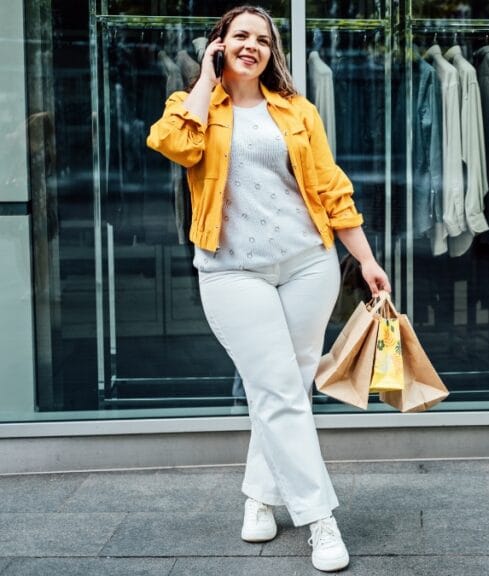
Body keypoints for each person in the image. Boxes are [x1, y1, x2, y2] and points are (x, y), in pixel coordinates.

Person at [146, 5, 390, 573]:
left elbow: (330, 188)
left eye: (262, 38)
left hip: (309, 265)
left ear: (272, 51)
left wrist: (366, 260)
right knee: (279, 390)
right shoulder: (193, 106)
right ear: (219, 43)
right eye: (240, 36)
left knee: (285, 389)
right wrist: (206, 80)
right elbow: (175, 145)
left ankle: (259, 496)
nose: (251, 46)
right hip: (232, 271)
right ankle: (319, 519)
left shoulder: (297, 110)